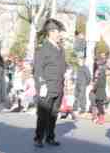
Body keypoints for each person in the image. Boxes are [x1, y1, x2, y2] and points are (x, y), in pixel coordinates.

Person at [33, 18, 66, 148]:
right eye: (58, 32)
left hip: (58, 86)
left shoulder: (60, 48)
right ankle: (38, 138)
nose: (60, 34)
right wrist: (41, 85)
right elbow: (38, 68)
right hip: (47, 87)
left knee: (53, 114)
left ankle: (50, 137)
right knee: (43, 114)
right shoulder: (43, 47)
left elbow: (62, 66)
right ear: (51, 32)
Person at [92, 54, 107, 125]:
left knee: (100, 105)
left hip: (100, 90)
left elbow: (100, 82)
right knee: (99, 104)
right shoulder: (100, 70)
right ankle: (100, 118)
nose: (96, 63)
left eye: (97, 61)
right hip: (99, 90)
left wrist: (94, 88)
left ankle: (102, 119)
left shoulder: (101, 71)